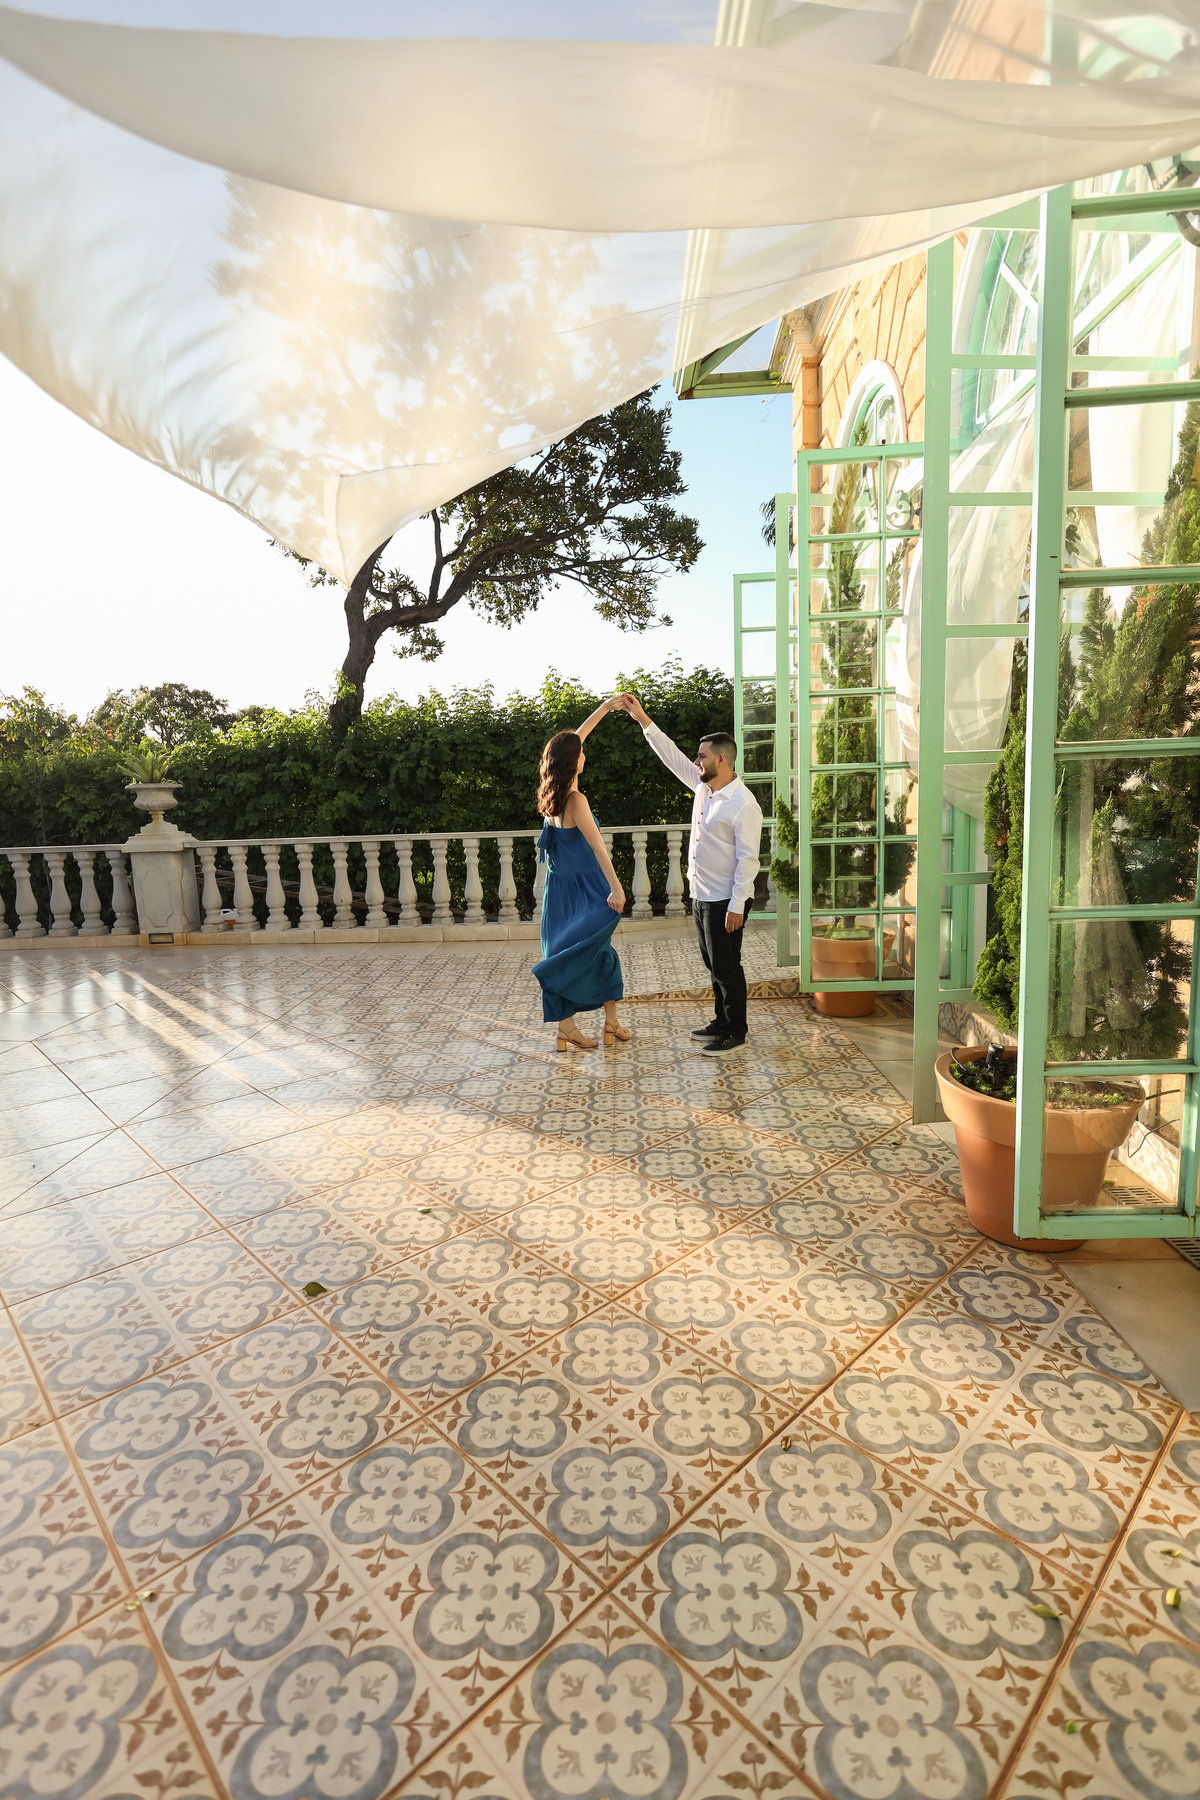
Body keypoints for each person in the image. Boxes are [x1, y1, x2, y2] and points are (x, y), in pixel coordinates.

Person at [616, 693, 762, 1055]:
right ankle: (721, 1021)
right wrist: (642, 718)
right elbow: (671, 756)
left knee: (727, 967)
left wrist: (737, 906)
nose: (696, 761)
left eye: (702, 756)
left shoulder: (743, 804)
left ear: (722, 759)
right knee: (713, 963)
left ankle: (735, 1031)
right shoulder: (703, 788)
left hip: (726, 899)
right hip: (702, 895)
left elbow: (749, 860)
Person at [532, 699, 630, 1051]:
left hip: (558, 893)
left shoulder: (551, 798)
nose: (585, 754)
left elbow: (574, 739)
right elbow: (598, 847)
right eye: (581, 753)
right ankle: (605, 1023)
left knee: (569, 955)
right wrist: (616, 887)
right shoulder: (576, 800)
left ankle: (571, 1029)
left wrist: (606, 707)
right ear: (574, 762)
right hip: (587, 891)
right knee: (597, 955)